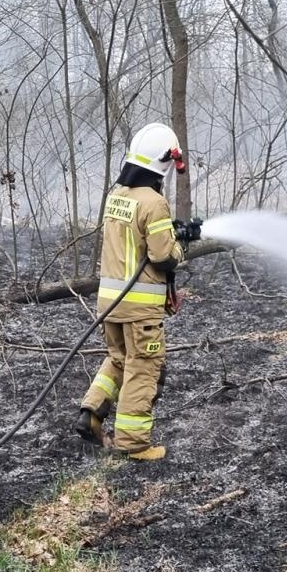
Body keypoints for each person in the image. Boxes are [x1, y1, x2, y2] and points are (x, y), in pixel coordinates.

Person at [75, 123, 202, 460]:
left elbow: (137, 240)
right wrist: (183, 245)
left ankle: (91, 414)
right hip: (140, 307)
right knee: (144, 366)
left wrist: (172, 232)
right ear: (163, 163)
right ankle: (134, 444)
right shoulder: (154, 202)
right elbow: (162, 257)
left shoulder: (117, 196)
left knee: (119, 359)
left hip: (110, 303)